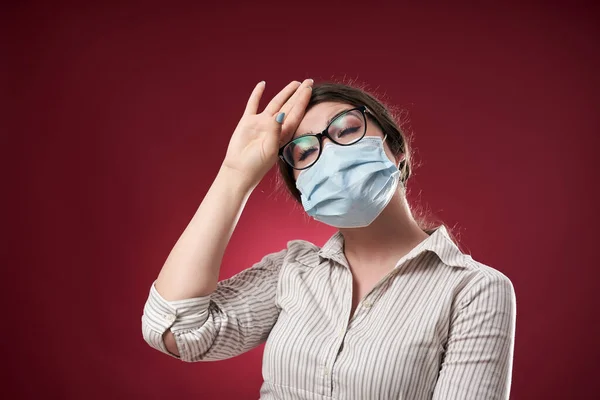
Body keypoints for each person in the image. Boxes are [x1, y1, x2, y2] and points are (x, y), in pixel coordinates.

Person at [141, 79, 516, 399]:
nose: (330, 154)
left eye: (347, 129)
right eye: (303, 151)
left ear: (396, 150)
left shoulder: (474, 289)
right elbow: (177, 330)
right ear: (303, 190)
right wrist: (235, 173)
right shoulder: (292, 270)